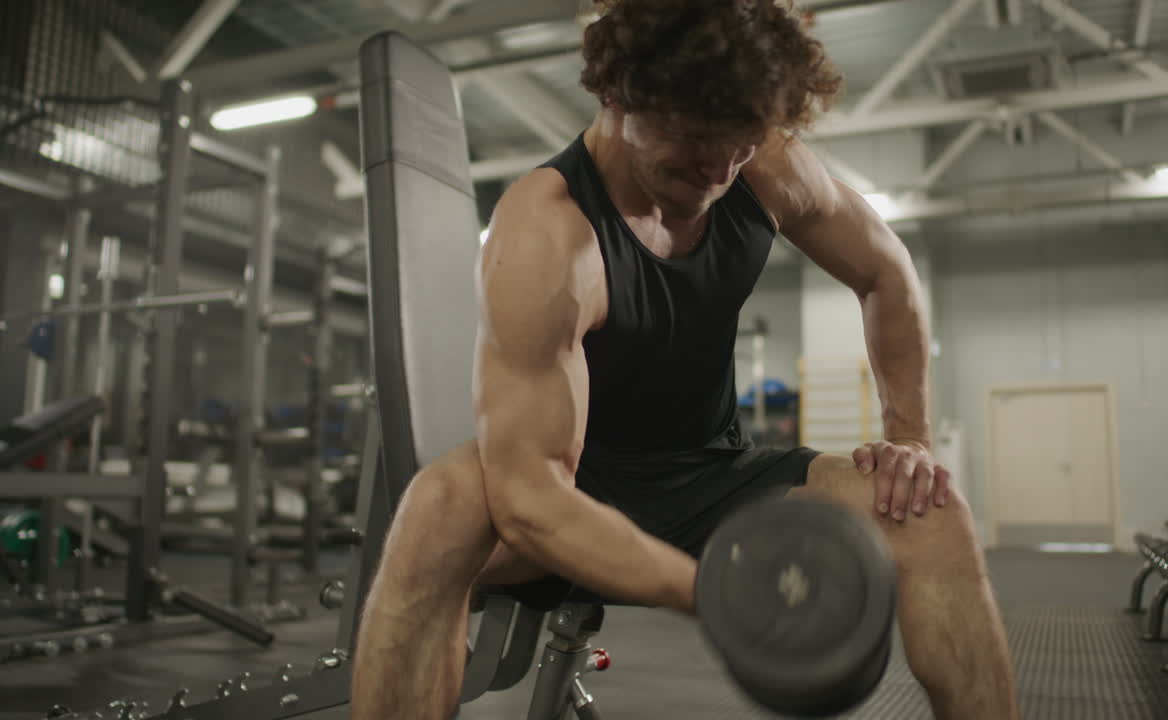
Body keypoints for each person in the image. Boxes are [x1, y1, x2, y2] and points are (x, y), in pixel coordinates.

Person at [352, 1, 1019, 718]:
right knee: (438, 508)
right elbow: (531, 500)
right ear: (615, 96)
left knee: (930, 510)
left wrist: (909, 439)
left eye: (740, 142)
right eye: (695, 140)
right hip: (572, 488)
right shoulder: (547, 234)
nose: (720, 168)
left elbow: (887, 272)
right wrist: (710, 594)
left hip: (715, 476)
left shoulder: (765, 170)